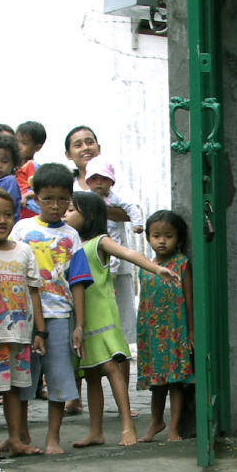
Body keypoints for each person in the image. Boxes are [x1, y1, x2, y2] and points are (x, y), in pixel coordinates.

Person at [65, 192, 178, 448]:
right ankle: (96, 431)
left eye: (71, 209)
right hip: (82, 322)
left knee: (111, 370)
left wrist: (156, 268)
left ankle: (127, 425)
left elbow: (128, 254)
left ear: (89, 214)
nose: (64, 213)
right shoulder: (69, 245)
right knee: (91, 375)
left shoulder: (99, 242)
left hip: (102, 319)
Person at [10, 162, 91, 455]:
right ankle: (20, 435)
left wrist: (79, 325)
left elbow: (78, 283)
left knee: (58, 377)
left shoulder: (71, 237)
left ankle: (53, 437)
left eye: (62, 199)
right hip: (22, 315)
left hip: (58, 316)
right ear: (35, 197)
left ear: (70, 199)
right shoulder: (21, 229)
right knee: (21, 378)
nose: (55, 205)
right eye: (48, 199)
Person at [0, 185, 44, 456]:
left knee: (17, 389)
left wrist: (40, 330)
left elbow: (34, 291)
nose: (3, 220)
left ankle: (16, 439)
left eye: (8, 214)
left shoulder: (24, 251)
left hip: (20, 334)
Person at [84, 157, 144, 396]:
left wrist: (138, 224)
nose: (99, 183)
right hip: (92, 268)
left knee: (120, 334)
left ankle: (124, 396)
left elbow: (131, 210)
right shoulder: (79, 199)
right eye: (94, 179)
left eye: (103, 179)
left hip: (115, 264)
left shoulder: (118, 195)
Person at [137, 209, 194, 442]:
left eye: (168, 236)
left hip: (174, 331)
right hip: (152, 333)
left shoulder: (182, 264)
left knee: (175, 381)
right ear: (149, 238)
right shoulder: (146, 266)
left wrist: (190, 331)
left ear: (178, 239)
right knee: (156, 382)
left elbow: (189, 300)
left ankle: (173, 428)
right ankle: (155, 422)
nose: (161, 241)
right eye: (156, 235)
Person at [14, 120, 46, 220]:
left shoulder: (31, 165)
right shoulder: (13, 167)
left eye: (24, 143)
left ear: (37, 147)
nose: (18, 146)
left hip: (29, 209)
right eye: (16, 141)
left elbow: (40, 189)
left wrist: (25, 196)